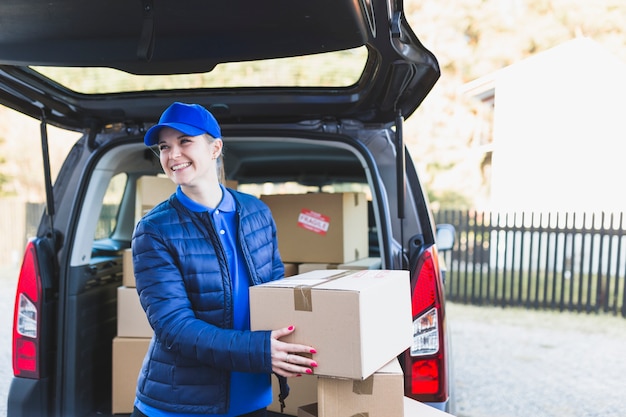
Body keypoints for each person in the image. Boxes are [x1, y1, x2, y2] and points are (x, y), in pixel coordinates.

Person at [131, 102, 318, 417]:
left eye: (184, 141)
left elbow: (277, 293)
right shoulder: (154, 230)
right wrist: (260, 351)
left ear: (215, 147)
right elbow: (174, 328)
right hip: (180, 406)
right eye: (164, 147)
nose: (172, 154)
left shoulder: (256, 212)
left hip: (253, 398)